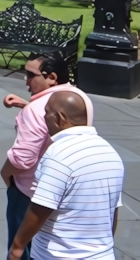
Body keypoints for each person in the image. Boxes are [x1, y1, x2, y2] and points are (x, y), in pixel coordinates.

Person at [1, 53, 96, 260]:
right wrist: (27, 105)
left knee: (21, 249)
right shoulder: (80, 100)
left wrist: (5, 174)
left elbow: (21, 159)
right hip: (66, 190)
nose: (25, 80)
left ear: (52, 77)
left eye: (30, 75)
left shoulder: (35, 111)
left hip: (29, 194)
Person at [8, 90, 123, 260]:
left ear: (59, 118)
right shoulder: (110, 153)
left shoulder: (58, 154)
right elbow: (112, 211)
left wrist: (17, 248)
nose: (44, 118)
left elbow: (41, 207)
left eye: (46, 113)